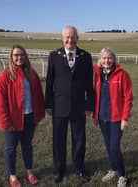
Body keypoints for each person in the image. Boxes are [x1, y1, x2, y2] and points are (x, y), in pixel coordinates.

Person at [45, 25, 94, 183]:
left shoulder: (85, 56)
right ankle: (59, 170)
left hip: (79, 106)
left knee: (79, 140)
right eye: (67, 37)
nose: (70, 39)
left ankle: (79, 168)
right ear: (62, 38)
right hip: (59, 106)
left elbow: (89, 83)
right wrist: (48, 104)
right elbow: (49, 82)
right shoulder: (54, 56)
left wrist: (89, 105)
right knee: (58, 141)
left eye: (73, 37)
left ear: (77, 38)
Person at [0, 45, 45, 187]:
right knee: (11, 148)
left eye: (22, 55)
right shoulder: (4, 76)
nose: (19, 57)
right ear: (11, 57)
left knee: (27, 146)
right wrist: (5, 122)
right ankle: (12, 176)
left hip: (29, 117)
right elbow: (0, 102)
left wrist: (39, 114)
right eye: (16, 55)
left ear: (26, 56)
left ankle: (29, 171)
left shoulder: (32, 74)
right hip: (13, 120)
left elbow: (39, 96)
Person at [93, 48, 133, 187]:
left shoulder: (122, 74)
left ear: (114, 59)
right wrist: (95, 115)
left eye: (109, 58)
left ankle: (122, 175)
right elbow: (95, 96)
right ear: (100, 60)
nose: (106, 61)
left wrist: (125, 118)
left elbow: (128, 97)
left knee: (114, 147)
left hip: (117, 118)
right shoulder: (97, 74)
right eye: (104, 58)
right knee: (108, 147)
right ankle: (113, 169)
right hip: (103, 117)